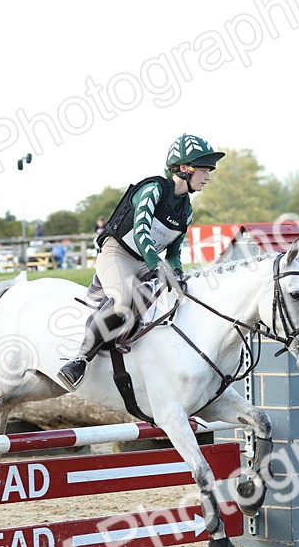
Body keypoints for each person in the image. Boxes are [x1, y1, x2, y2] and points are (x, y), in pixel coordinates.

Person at [56, 134, 225, 391]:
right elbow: (141, 233)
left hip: (147, 261)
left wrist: (177, 273)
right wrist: (158, 267)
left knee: (177, 300)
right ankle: (79, 360)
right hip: (118, 253)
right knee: (125, 299)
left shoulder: (186, 211)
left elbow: (174, 252)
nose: (208, 176)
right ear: (184, 168)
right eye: (204, 170)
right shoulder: (153, 189)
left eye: (209, 171)